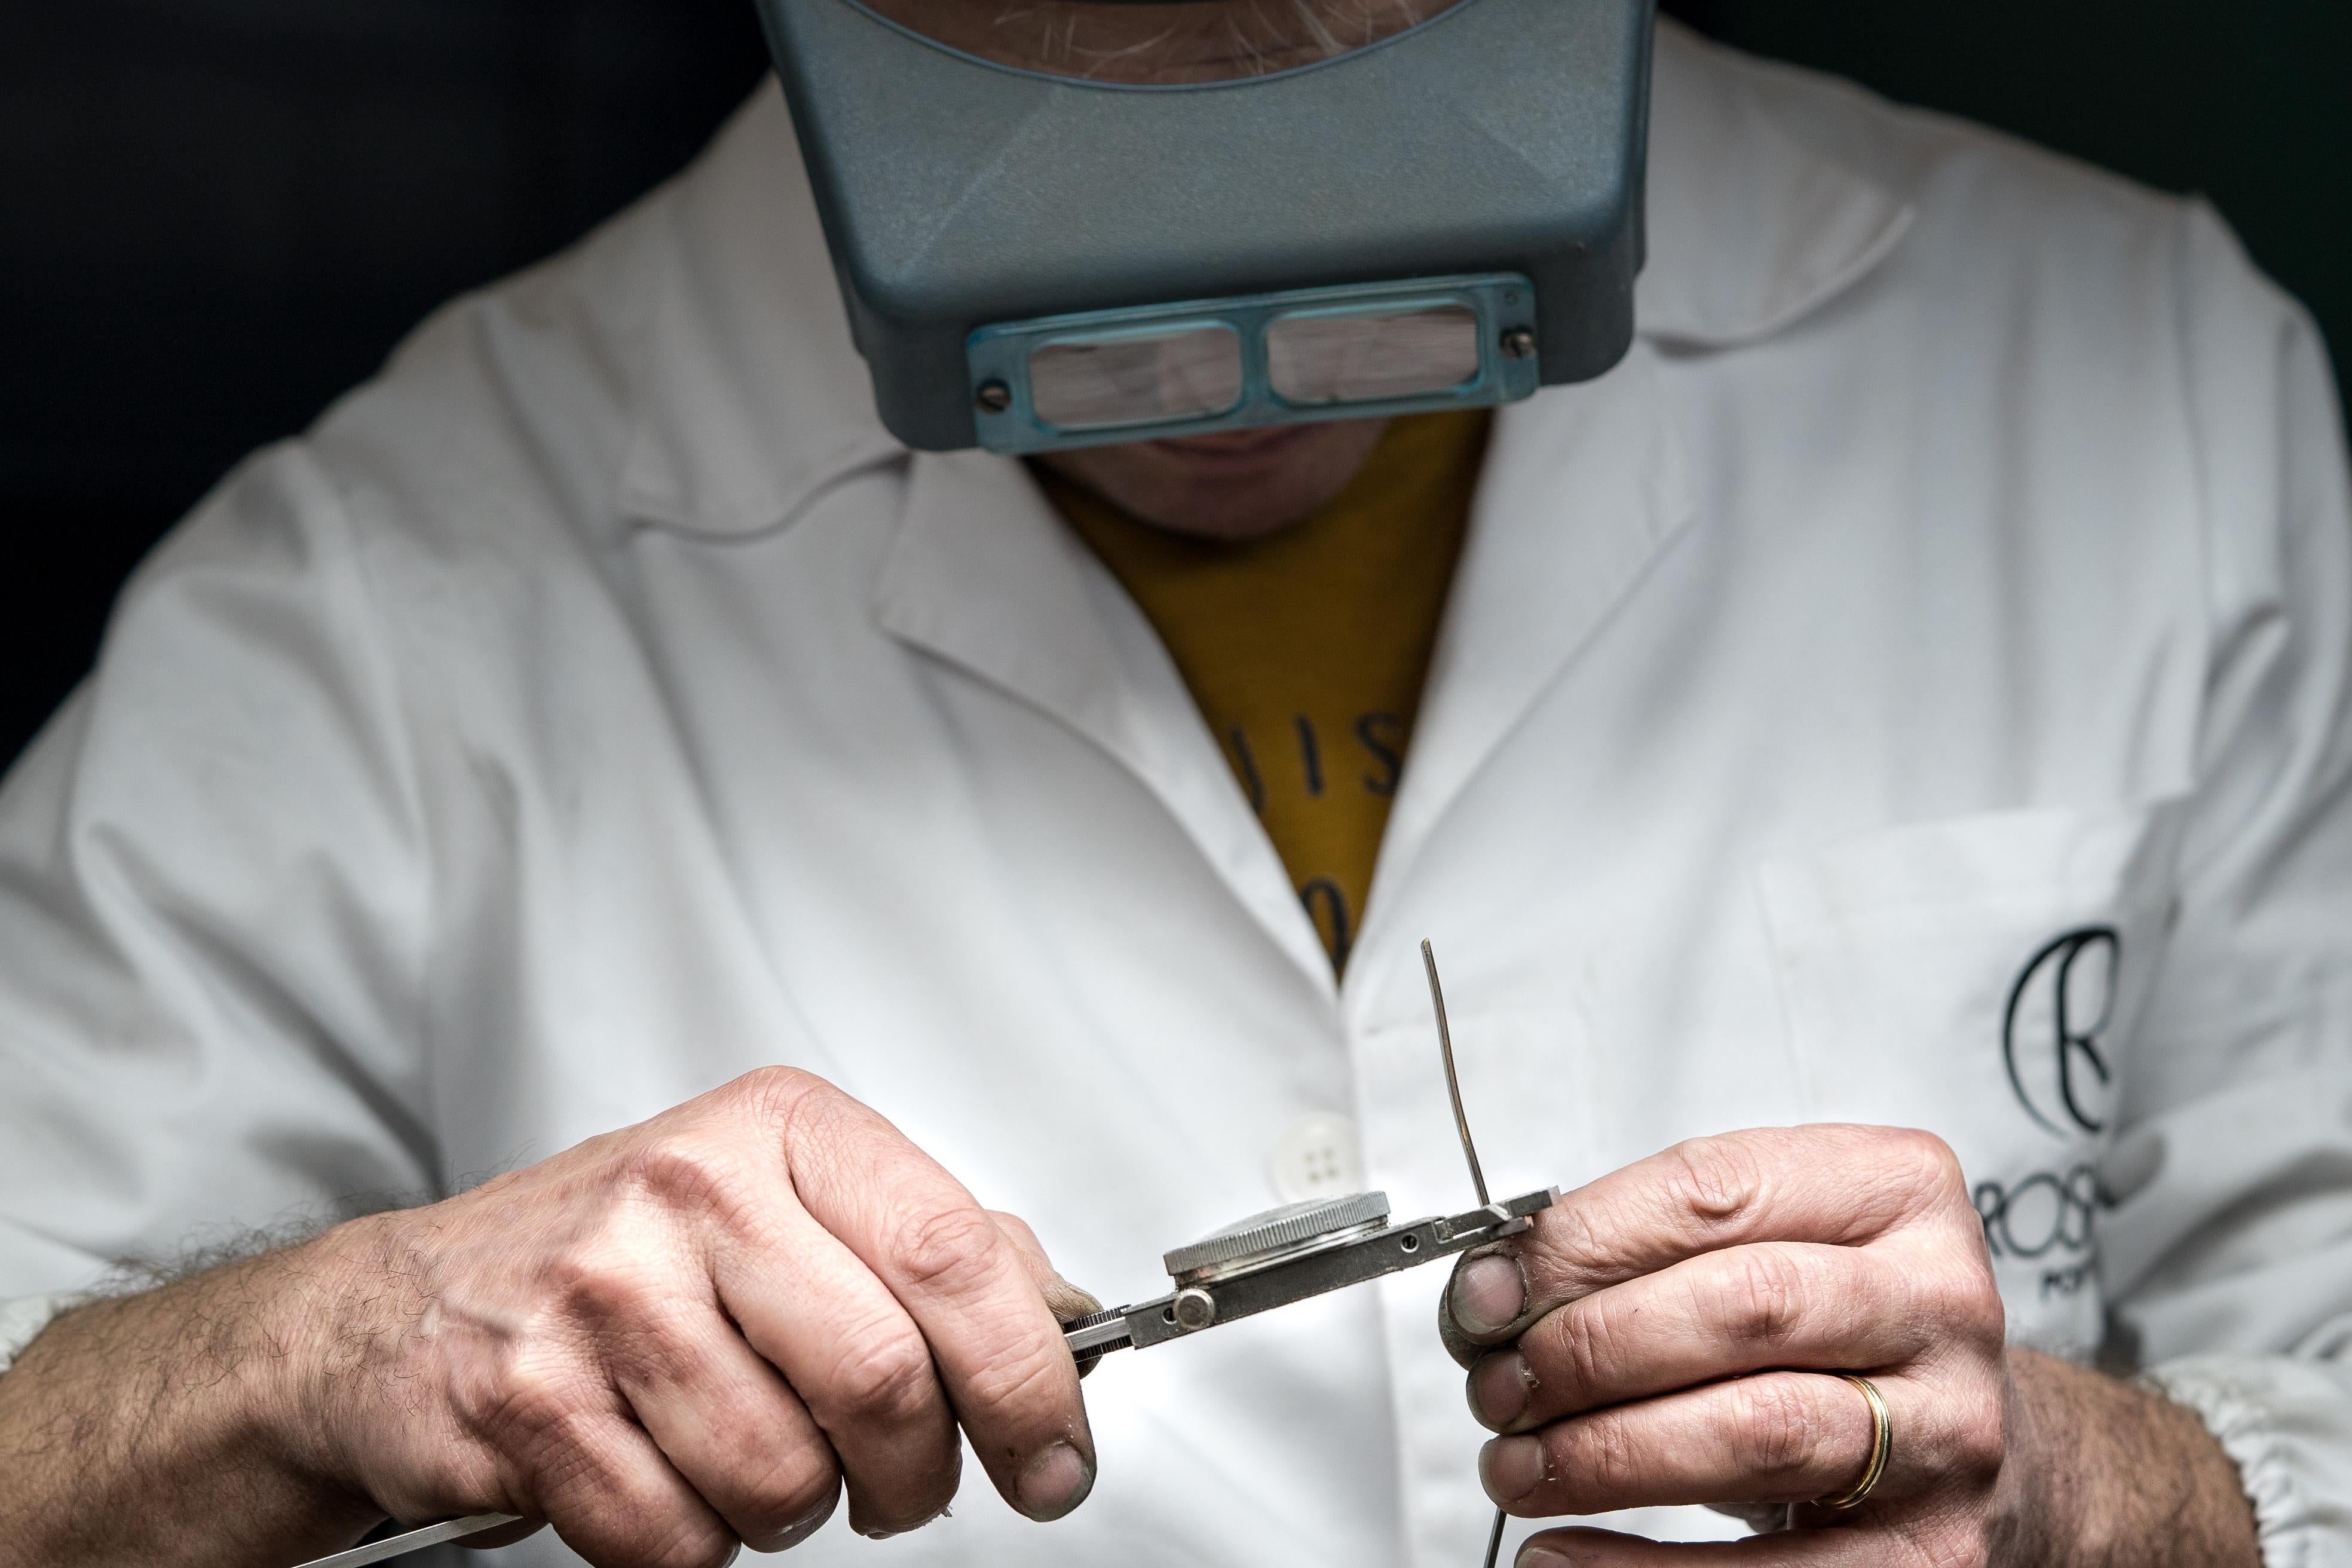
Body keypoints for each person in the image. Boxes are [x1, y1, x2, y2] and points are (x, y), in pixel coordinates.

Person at [2, 7, 2349, 1567]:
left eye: (1386, 254)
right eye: (1064, 286)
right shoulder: (375, 588)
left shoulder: (2135, 384)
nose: (1224, 393)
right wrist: (316, 1351)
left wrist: (2092, 1483)